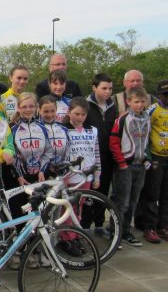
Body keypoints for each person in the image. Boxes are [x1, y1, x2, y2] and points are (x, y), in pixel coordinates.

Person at [10, 92, 54, 269]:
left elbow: (48, 152)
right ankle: (17, 252)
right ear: (19, 108)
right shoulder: (12, 129)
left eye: (31, 106)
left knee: (36, 216)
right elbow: (12, 155)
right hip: (20, 180)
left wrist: (42, 170)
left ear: (36, 108)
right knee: (18, 216)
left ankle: (33, 251)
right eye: (24, 106)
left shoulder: (42, 128)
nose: (28, 110)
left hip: (38, 178)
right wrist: (19, 175)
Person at [136, 81, 168, 244]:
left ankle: (164, 226)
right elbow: (143, 134)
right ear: (159, 95)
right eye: (166, 94)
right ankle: (149, 227)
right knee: (152, 194)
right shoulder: (152, 110)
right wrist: (146, 156)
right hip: (156, 157)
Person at [109, 87, 152, 248]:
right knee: (122, 201)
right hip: (125, 166)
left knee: (133, 201)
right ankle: (115, 232)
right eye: (136, 102)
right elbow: (113, 142)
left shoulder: (147, 118)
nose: (140, 105)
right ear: (128, 102)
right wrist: (121, 162)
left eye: (142, 102)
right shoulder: (123, 118)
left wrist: (147, 159)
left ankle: (126, 231)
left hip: (140, 166)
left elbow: (147, 141)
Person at [60, 97, 102, 255]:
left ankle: (75, 235)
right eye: (76, 113)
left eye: (83, 114)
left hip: (86, 177)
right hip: (69, 178)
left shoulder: (92, 130)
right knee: (67, 209)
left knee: (79, 208)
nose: (80, 117)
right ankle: (66, 239)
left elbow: (96, 154)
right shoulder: (63, 129)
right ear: (69, 112)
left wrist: (97, 176)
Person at [81, 73, 118, 236]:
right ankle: (85, 225)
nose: (107, 92)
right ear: (94, 88)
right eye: (104, 88)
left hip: (108, 156)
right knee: (89, 192)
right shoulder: (86, 106)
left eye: (110, 88)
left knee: (103, 191)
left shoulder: (112, 106)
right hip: (91, 156)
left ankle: (98, 224)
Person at [38, 95, 70, 172]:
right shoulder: (35, 128)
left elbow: (68, 153)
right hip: (41, 172)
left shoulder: (64, 129)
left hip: (61, 171)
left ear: (56, 110)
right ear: (39, 110)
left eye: (53, 111)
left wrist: (65, 167)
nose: (50, 115)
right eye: (46, 111)